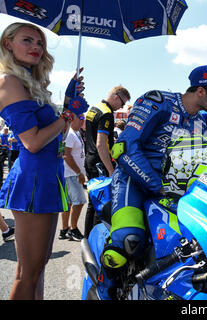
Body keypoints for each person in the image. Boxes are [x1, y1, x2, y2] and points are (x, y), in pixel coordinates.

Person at [97, 64, 207, 300]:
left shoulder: (203, 120)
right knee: (128, 240)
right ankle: (104, 290)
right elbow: (124, 148)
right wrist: (157, 185)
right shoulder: (158, 101)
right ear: (200, 91)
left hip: (175, 189)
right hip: (134, 181)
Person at [0, 22, 88, 299]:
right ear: (7, 44)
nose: (36, 47)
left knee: (38, 267)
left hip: (48, 177)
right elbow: (33, 142)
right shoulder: (9, 81)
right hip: (34, 179)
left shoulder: (29, 83)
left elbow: (56, 137)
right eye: (27, 40)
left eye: (40, 43)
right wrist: (65, 115)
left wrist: (68, 101)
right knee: (29, 273)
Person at [84, 86, 130, 238]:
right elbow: (100, 144)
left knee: (92, 202)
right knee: (102, 203)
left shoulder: (94, 108)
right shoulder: (107, 113)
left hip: (90, 159)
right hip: (100, 162)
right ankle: (97, 239)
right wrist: (110, 168)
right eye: (122, 103)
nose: (121, 107)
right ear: (116, 97)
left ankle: (88, 237)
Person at [59, 114, 87, 241]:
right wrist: (78, 173)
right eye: (81, 118)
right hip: (71, 174)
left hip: (71, 173)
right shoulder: (70, 133)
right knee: (80, 201)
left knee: (68, 203)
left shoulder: (75, 132)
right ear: (73, 119)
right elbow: (66, 155)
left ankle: (64, 229)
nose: (83, 120)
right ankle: (73, 229)